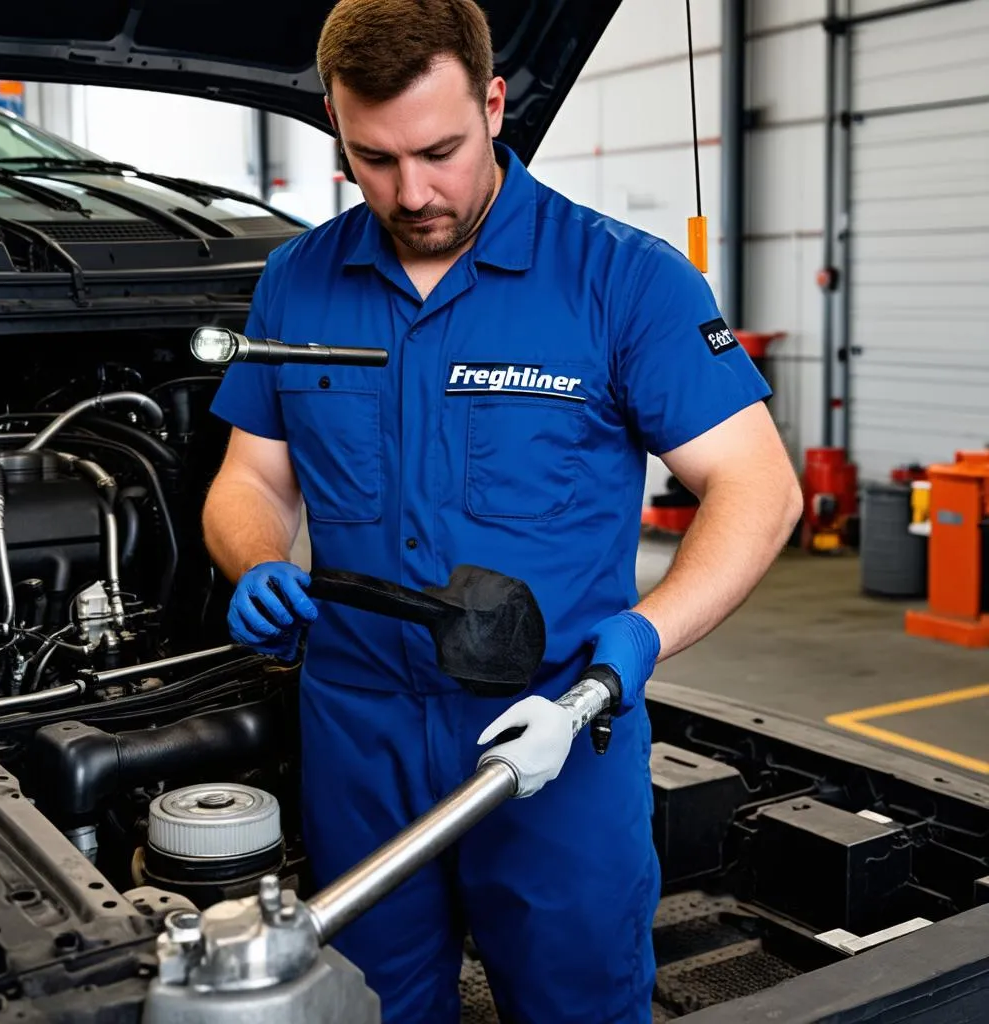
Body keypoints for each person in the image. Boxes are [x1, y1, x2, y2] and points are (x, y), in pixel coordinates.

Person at [201, 0, 803, 1019]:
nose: (412, 190)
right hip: (357, 728)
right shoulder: (297, 280)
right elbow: (250, 479)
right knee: (370, 1001)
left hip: (553, 728)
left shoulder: (622, 279)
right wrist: (254, 558)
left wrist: (642, 636)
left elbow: (758, 486)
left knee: (577, 999)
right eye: (373, 159)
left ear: (492, 104)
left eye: (438, 150)